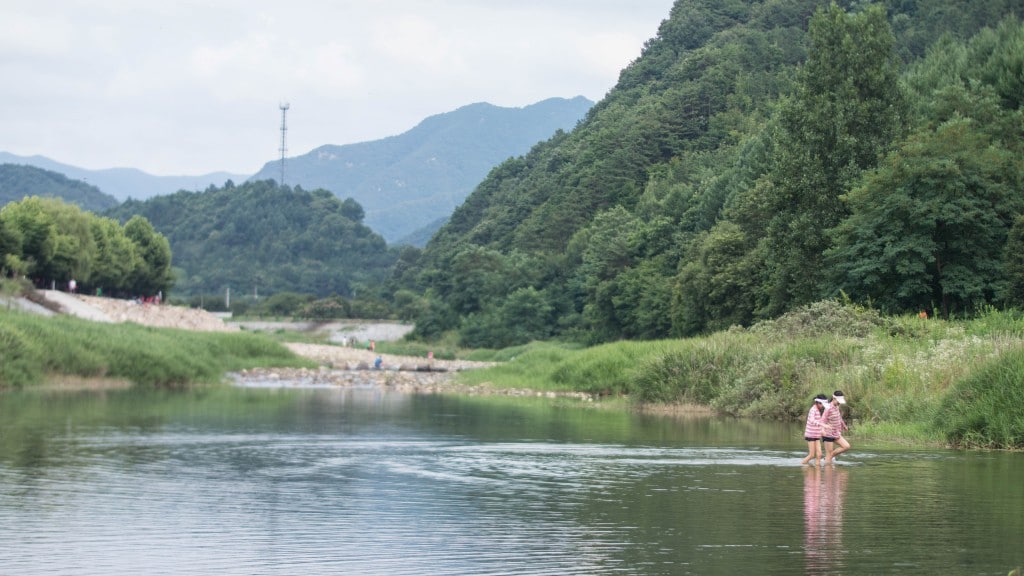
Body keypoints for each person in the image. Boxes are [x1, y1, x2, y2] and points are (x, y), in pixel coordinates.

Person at [822, 390, 850, 463]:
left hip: (836, 433)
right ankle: (828, 463)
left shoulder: (837, 406)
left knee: (846, 446)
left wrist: (844, 425)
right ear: (834, 398)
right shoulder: (828, 408)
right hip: (828, 434)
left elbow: (839, 417)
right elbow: (822, 420)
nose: (839, 402)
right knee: (829, 454)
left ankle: (828, 458)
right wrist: (822, 430)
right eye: (838, 401)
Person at [801, 394, 829, 465]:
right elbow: (812, 420)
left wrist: (822, 430)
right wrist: (822, 425)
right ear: (818, 403)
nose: (823, 406)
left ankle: (817, 470)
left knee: (819, 455)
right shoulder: (813, 409)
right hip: (810, 435)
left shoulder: (818, 410)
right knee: (812, 455)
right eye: (822, 404)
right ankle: (802, 465)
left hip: (816, 435)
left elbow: (819, 422)